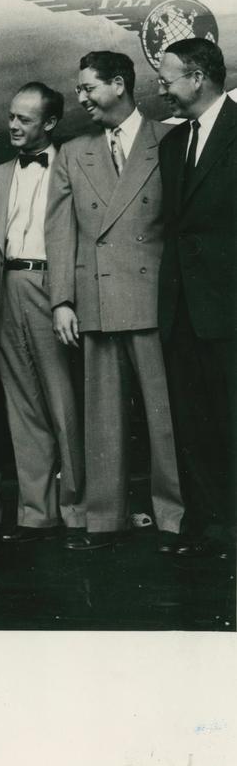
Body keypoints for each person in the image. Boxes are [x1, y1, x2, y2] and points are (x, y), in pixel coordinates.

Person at [46, 51, 184, 551]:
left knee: (165, 417)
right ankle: (104, 520)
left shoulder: (169, 140)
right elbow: (59, 232)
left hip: (152, 300)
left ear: (120, 85)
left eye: (88, 89)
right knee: (101, 419)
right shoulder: (71, 153)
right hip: (96, 299)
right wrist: (61, 299)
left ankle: (174, 518)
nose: (80, 99)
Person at [0, 82, 85, 542]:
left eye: (24, 118)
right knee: (22, 406)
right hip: (6, 292)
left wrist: (66, 298)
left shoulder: (75, 166)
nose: (13, 125)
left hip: (53, 288)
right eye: (11, 116)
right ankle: (36, 514)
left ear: (50, 123)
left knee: (65, 403)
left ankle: (79, 511)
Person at [156, 38, 236, 557]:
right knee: (194, 420)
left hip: (228, 307)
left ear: (199, 76)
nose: (161, 88)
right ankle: (214, 527)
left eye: (168, 79)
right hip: (183, 309)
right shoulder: (171, 144)